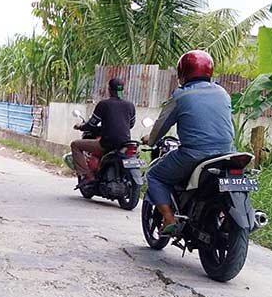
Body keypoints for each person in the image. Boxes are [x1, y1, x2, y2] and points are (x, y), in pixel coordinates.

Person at [143, 50, 234, 236]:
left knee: (154, 175)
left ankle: (169, 219)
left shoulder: (181, 95)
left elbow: (161, 126)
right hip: (228, 153)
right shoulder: (223, 93)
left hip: (194, 154)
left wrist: (151, 140)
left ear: (182, 72)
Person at [70, 78, 136, 184]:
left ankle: (88, 175)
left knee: (75, 145)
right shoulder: (130, 105)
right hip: (124, 143)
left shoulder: (103, 104)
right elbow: (131, 124)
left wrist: (81, 126)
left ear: (109, 89)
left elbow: (92, 124)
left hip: (107, 143)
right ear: (123, 90)